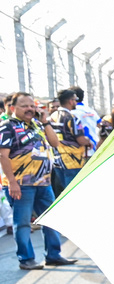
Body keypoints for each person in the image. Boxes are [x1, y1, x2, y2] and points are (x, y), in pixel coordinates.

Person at [0, 91, 74, 269]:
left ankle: (54, 255)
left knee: (51, 220)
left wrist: (45, 121)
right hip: (21, 184)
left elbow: (55, 143)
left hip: (43, 182)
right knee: (23, 223)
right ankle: (26, 259)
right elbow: (3, 155)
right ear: (13, 108)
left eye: (31, 105)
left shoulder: (37, 124)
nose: (29, 109)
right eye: (24, 106)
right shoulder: (7, 126)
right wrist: (12, 182)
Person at [49, 88, 89, 196]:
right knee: (75, 193)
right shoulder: (72, 118)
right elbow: (81, 140)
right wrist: (88, 141)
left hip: (57, 160)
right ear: (71, 101)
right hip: (73, 161)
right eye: (75, 99)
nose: (76, 102)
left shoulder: (52, 117)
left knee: (64, 193)